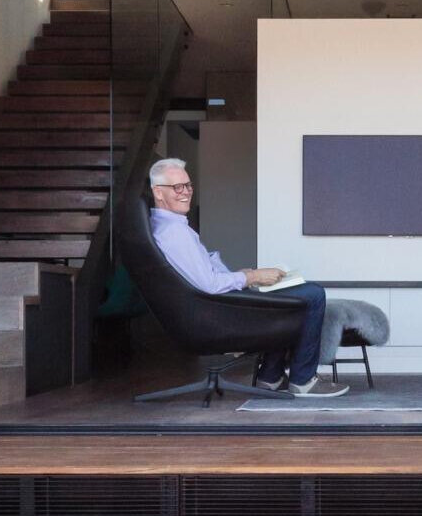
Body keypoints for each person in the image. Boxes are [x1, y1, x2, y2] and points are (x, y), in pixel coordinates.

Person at [149, 157, 348, 398]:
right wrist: (252, 277)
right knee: (313, 294)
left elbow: (203, 276)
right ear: (158, 193)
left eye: (188, 185)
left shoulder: (169, 227)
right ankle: (303, 380)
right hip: (215, 316)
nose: (186, 192)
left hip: (213, 307)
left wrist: (242, 275)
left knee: (292, 294)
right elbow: (209, 285)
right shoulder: (174, 233)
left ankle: (271, 376)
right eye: (177, 187)